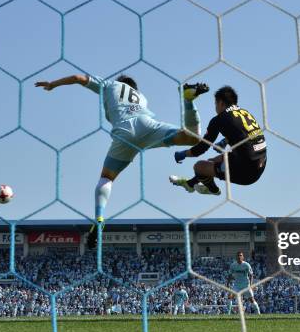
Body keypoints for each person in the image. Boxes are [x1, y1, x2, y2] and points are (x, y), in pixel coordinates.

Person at [35, 75, 208, 245]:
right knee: (192, 138)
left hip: (124, 133)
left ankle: (99, 217)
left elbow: (77, 78)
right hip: (147, 126)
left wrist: (53, 84)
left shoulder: (110, 84)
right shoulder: (141, 97)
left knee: (107, 178)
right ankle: (188, 100)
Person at [170, 86, 266, 196]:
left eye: (215, 104)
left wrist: (183, 154)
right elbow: (247, 134)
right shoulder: (245, 113)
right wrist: (225, 142)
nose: (215, 108)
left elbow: (201, 148)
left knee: (199, 167)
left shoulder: (219, 119)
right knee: (213, 161)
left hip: (247, 173)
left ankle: (212, 190)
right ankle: (190, 184)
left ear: (220, 103)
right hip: (260, 163)